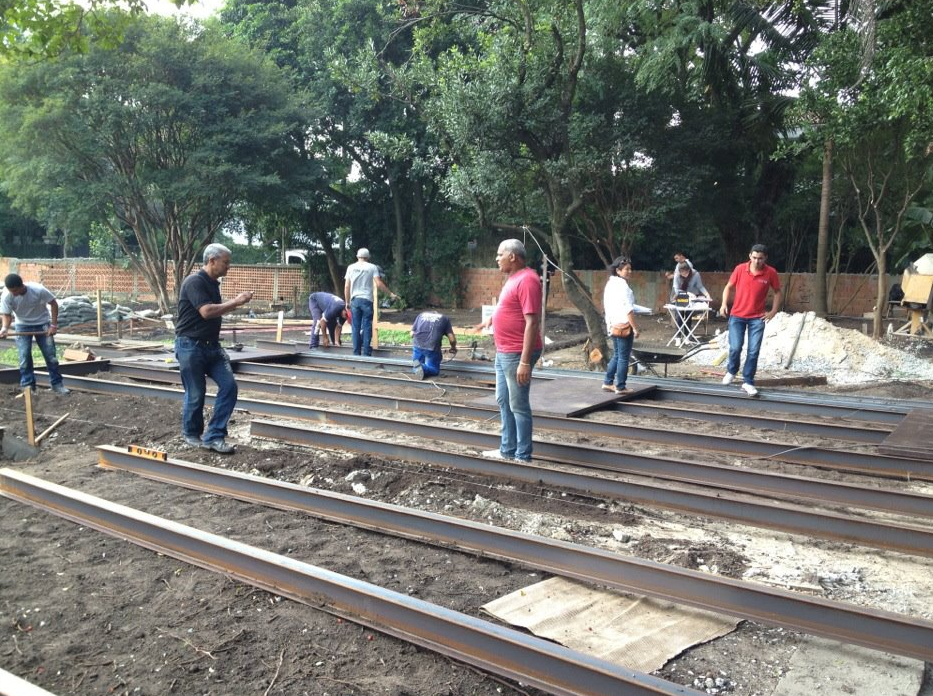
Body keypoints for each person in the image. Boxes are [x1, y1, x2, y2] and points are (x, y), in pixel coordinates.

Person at [175, 243, 254, 453]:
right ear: (212, 261)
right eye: (226, 262)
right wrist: (236, 302)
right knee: (196, 392)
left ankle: (214, 436)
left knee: (229, 387)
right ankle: (191, 434)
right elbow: (207, 311)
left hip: (212, 347)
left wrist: (233, 304)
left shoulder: (213, 284)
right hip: (190, 345)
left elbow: (214, 311)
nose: (229, 266)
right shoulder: (194, 282)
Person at [473, 239, 542, 462]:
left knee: (518, 405)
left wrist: (524, 362)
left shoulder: (528, 280)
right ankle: (507, 450)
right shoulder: (513, 278)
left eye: (499, 254)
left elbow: (532, 322)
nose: (496, 258)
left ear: (512, 256)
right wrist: (490, 320)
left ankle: (523, 455)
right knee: (503, 400)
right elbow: (508, 306)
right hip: (504, 351)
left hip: (516, 353)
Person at [719, 243, 783, 397]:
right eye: (754, 258)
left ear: (765, 258)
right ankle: (732, 370)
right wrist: (723, 304)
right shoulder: (740, 269)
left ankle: (748, 381)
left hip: (757, 318)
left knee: (753, 351)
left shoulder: (770, 272)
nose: (757, 261)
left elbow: (778, 292)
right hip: (737, 315)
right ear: (750, 256)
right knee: (735, 347)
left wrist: (773, 311)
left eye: (760, 258)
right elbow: (728, 287)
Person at [0, 274, 69, 394]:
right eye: (11, 291)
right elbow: (6, 314)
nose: (13, 293)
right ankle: (28, 387)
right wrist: (4, 328)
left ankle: (57, 384)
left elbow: (53, 304)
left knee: (51, 356)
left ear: (21, 286)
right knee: (24, 356)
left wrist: (53, 325)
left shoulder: (38, 290)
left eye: (15, 290)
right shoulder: (7, 295)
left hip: (42, 324)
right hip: (22, 326)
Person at [344, 248, 398, 356]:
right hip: (367, 300)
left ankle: (356, 353)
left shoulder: (350, 267)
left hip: (355, 300)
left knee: (355, 327)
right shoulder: (372, 267)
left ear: (357, 256)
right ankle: (366, 353)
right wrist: (390, 294)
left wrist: (347, 302)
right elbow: (378, 283)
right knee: (367, 326)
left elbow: (347, 286)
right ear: (368, 257)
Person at [602, 256, 640, 394]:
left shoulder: (610, 284)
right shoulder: (623, 286)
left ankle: (608, 382)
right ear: (618, 271)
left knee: (617, 355)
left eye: (630, 269)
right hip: (624, 326)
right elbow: (628, 310)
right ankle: (621, 386)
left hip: (613, 325)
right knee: (624, 357)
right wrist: (635, 328)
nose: (630, 271)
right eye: (626, 269)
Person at [410, 311, 457, 380]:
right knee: (434, 370)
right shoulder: (444, 318)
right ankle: (423, 368)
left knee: (417, 364)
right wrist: (453, 348)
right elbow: (452, 339)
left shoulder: (421, 315)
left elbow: (411, 334)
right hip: (432, 346)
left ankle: (418, 368)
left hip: (417, 344)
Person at [671, 261, 712, 339]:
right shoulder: (677, 275)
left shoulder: (695, 274)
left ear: (689, 270)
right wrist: (687, 293)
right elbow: (676, 289)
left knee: (688, 315)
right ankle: (678, 337)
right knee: (679, 315)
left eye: (685, 273)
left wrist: (707, 295)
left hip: (692, 298)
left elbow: (700, 286)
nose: (684, 275)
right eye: (682, 273)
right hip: (681, 297)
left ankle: (687, 336)